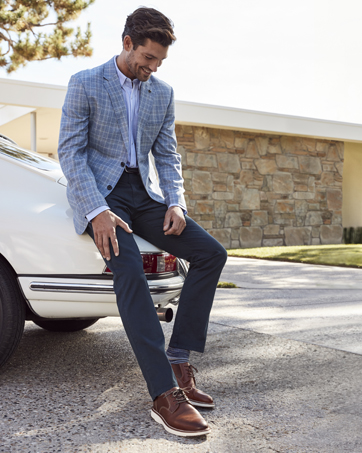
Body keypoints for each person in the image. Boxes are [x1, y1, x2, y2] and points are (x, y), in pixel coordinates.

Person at [58, 7, 227, 437]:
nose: (151, 68)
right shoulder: (84, 83)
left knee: (211, 254)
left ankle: (179, 358)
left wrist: (176, 203)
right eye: (147, 58)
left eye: (159, 62)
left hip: (145, 195)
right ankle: (164, 393)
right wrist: (95, 210)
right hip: (103, 194)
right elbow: (71, 153)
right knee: (129, 271)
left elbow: (167, 154)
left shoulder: (162, 92)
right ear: (127, 43)